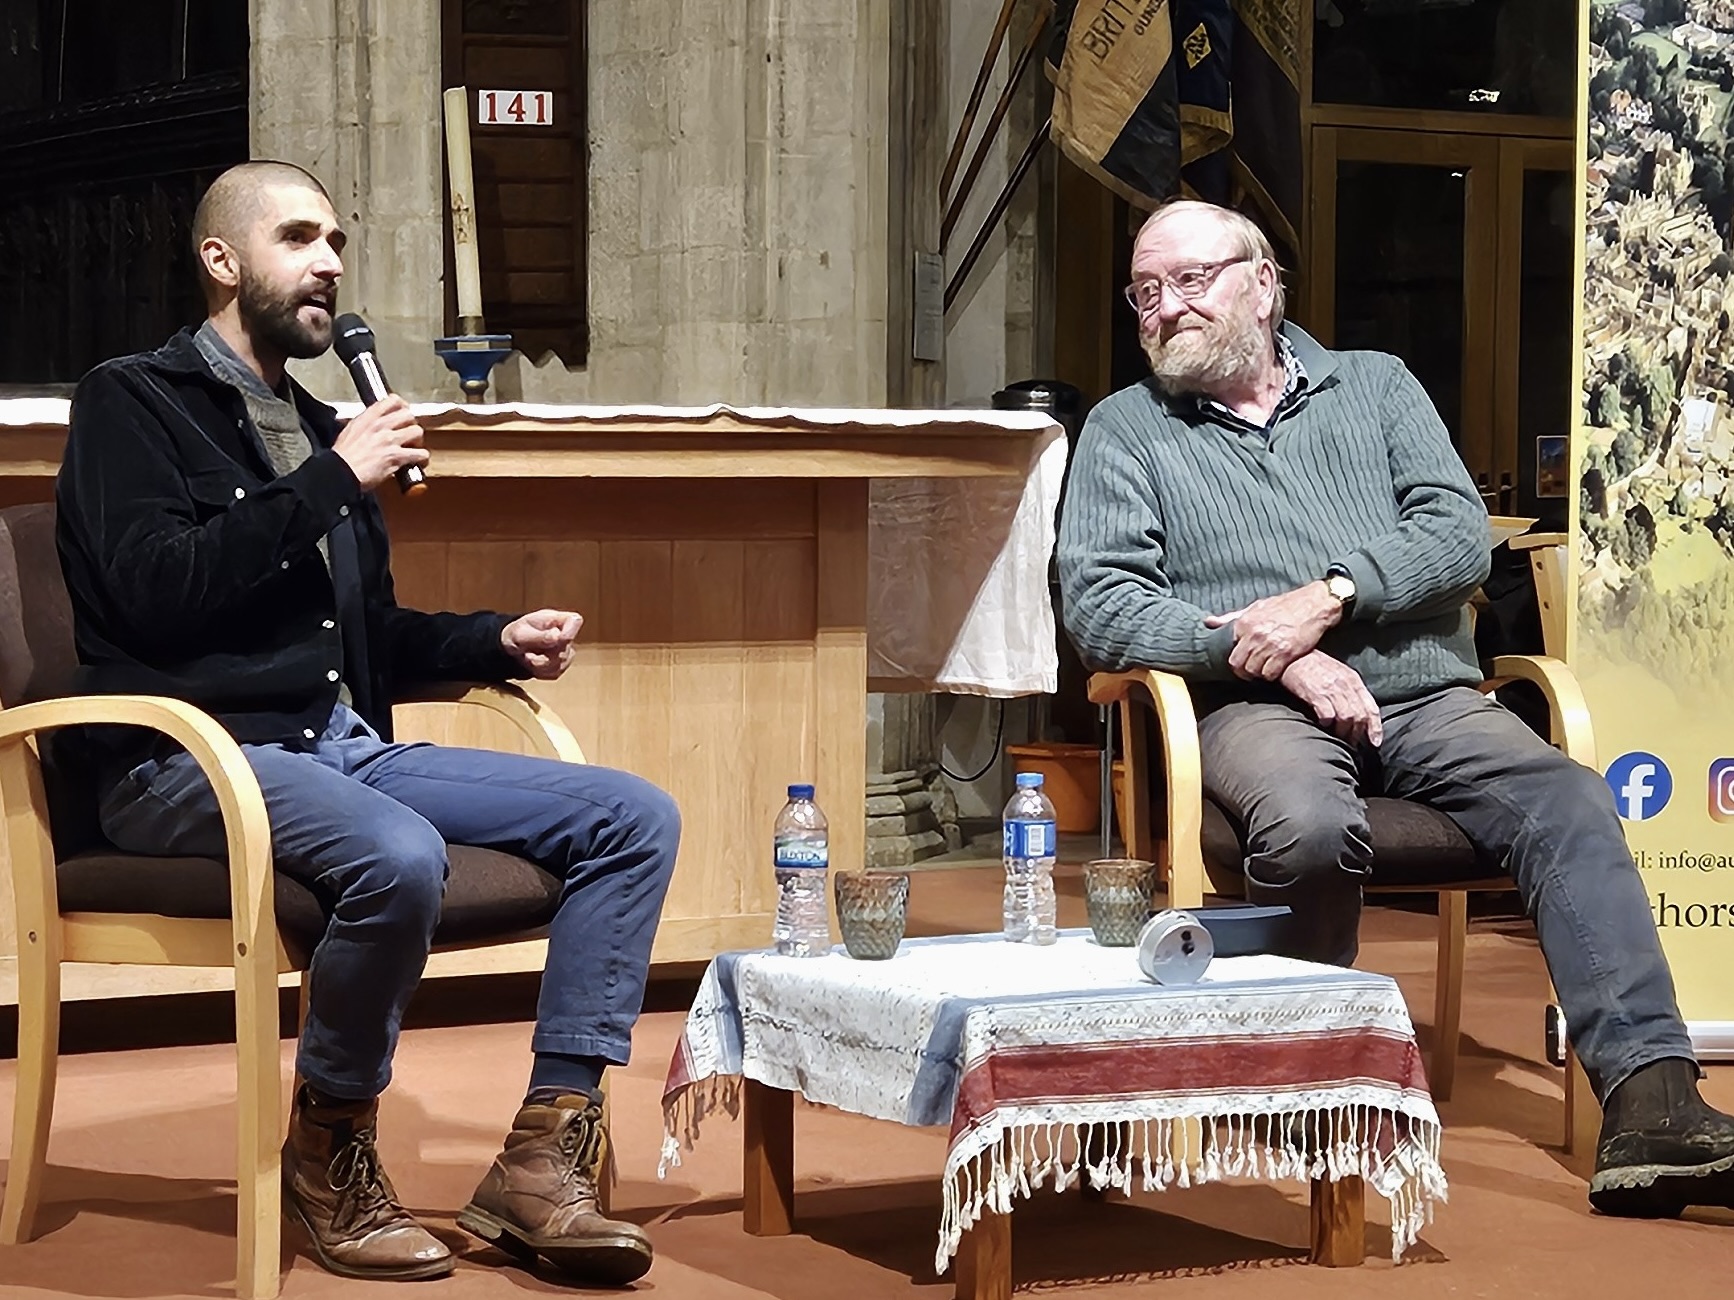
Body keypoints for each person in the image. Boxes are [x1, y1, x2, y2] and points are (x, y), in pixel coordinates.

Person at [54, 160, 680, 1284]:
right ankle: (331, 1144)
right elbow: (157, 593)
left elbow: (358, 636)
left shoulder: (314, 422)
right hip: (180, 759)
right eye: (300, 238)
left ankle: (543, 1158)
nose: (332, 263)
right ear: (222, 261)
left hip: (335, 746)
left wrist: (491, 641)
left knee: (631, 816)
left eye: (337, 239)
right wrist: (335, 482)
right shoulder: (131, 402)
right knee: (400, 857)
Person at [1056, 198, 1734, 1219]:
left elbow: (1458, 532)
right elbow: (1102, 606)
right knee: (1311, 823)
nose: (1165, 308)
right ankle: (1303, 1078)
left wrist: (1328, 596)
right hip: (1251, 706)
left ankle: (1654, 1103)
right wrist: (1268, 654)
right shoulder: (1125, 429)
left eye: (1190, 280)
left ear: (1264, 283)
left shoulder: (1374, 385)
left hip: (1421, 691)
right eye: (1146, 292)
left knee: (1570, 798)